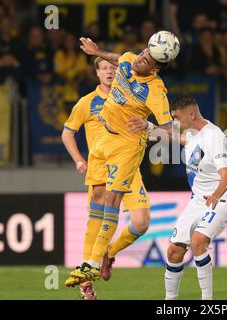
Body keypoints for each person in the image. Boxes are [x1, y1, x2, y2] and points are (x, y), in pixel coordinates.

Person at [64, 36, 175, 286]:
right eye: (144, 51)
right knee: (98, 203)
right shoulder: (128, 59)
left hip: (127, 147)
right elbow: (119, 57)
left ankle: (92, 265)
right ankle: (95, 260)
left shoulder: (155, 91)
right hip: (104, 141)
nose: (141, 57)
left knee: (117, 206)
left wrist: (149, 125)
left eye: (147, 59)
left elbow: (170, 131)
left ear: (154, 69)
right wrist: (97, 51)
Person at [62, 57, 152, 299]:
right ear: (97, 74)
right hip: (101, 168)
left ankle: (109, 252)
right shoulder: (87, 102)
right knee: (96, 221)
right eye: (104, 68)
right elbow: (67, 132)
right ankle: (86, 283)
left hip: (129, 166)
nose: (110, 71)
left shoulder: (131, 96)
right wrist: (79, 160)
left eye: (113, 67)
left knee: (142, 223)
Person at [163, 95, 227, 300]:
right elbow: (175, 136)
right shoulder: (193, 134)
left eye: (176, 118)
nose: (175, 122)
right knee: (174, 251)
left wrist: (215, 195)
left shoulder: (214, 136)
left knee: (197, 242)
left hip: (221, 199)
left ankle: (207, 301)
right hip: (198, 201)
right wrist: (147, 127)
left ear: (192, 114)